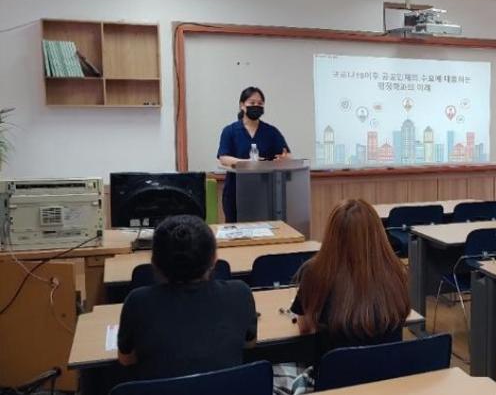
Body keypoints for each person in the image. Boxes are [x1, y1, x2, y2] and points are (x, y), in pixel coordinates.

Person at [282, 199, 410, 391]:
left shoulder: (314, 273)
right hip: (387, 383)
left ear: (331, 236)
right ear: (377, 235)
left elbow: (304, 328)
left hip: (332, 385)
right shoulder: (395, 272)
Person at [117, 215, 257, 380]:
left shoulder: (137, 302)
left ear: (154, 263)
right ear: (214, 261)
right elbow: (249, 344)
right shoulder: (240, 293)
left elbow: (126, 359)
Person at [217, 86, 291, 222]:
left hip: (264, 192)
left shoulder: (271, 131)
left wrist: (284, 159)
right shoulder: (230, 131)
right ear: (242, 105)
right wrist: (247, 163)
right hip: (235, 191)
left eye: (260, 103)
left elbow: (287, 155)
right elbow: (223, 158)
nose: (256, 106)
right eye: (252, 103)